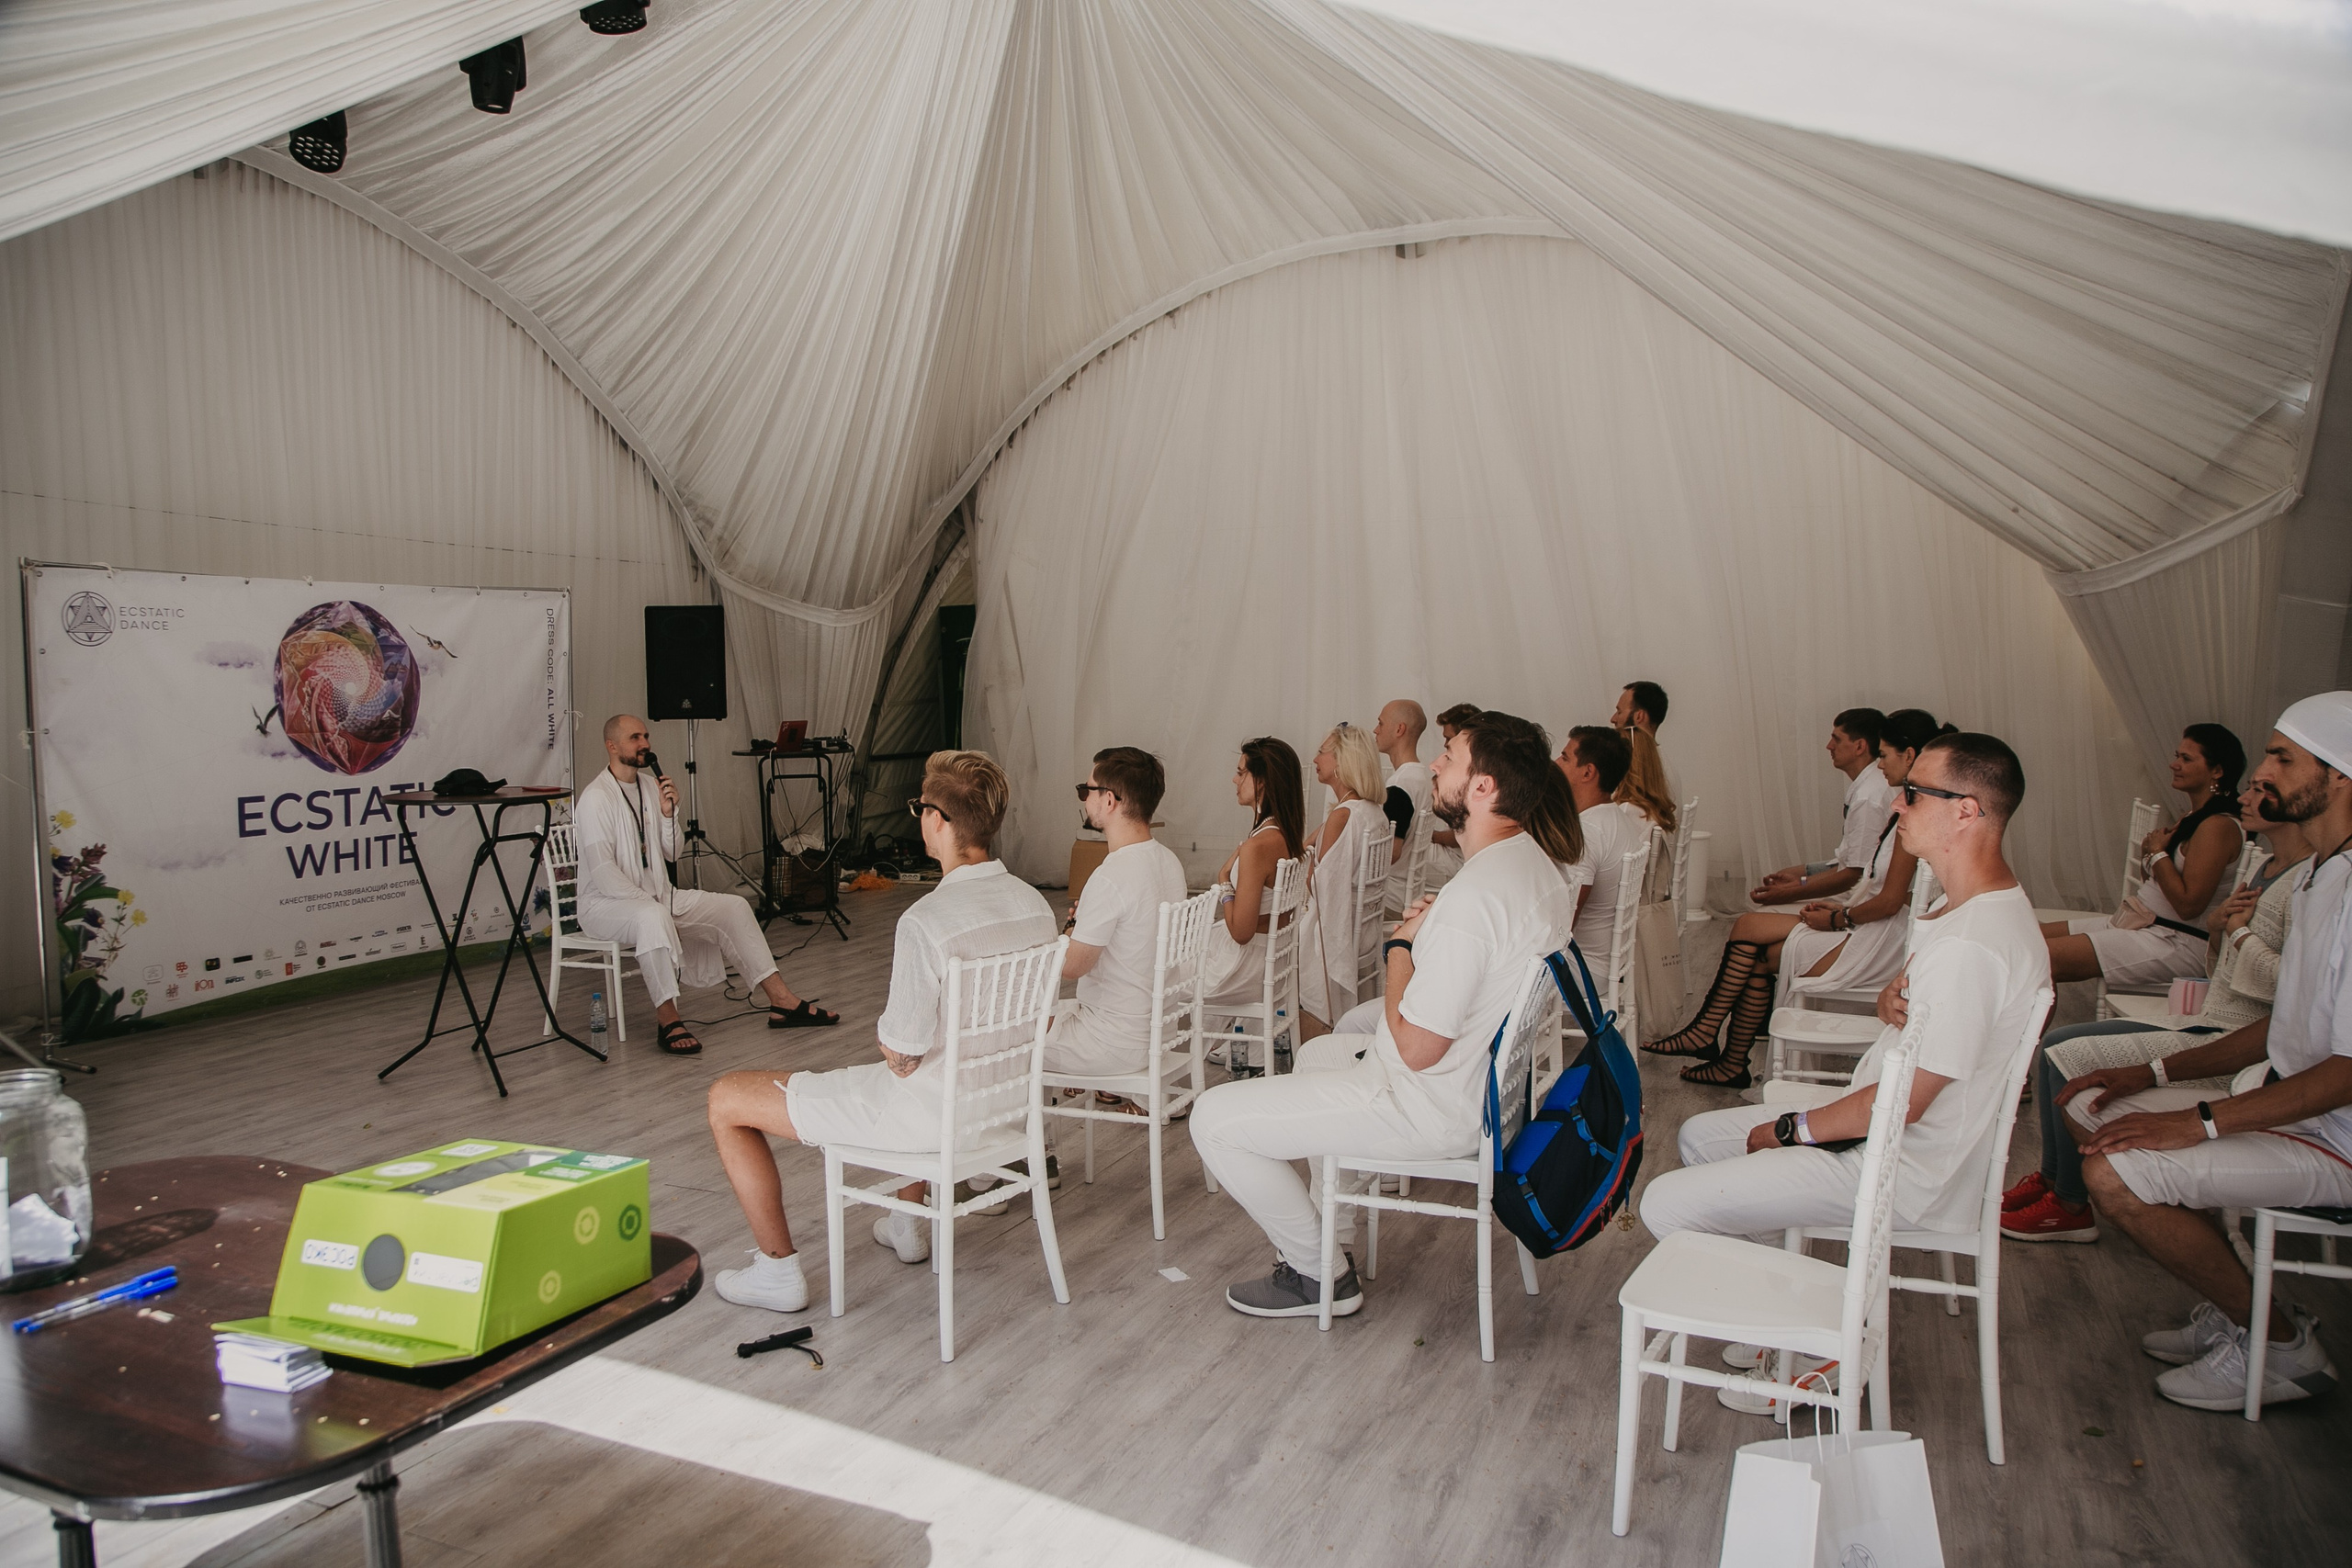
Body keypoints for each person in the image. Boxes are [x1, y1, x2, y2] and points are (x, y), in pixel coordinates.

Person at [1640, 732, 2050, 1408]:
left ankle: (1820, 1348)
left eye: (1916, 791)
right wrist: (1897, 998)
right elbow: (1937, 1025)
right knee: (1698, 1140)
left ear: (1967, 811)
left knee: (1663, 1202)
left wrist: (1794, 1128)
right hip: (1883, 1132)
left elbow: (1907, 1102)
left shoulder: (1975, 945)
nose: (1898, 800)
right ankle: (1783, 1316)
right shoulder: (1976, 910)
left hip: (1899, 1163)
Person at [1192, 711, 1583, 1319]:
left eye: (1449, 756)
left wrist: (1401, 946)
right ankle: (1332, 1238)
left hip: (1425, 1103)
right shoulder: (1531, 866)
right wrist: (1434, 926)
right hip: (1479, 1094)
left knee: (1212, 1118)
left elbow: (1417, 1047)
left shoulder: (1477, 898)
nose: (1433, 764)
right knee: (1321, 1052)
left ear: (1483, 788)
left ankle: (1316, 1271)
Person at [2061, 694, 2352, 1411]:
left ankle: (2283, 1347)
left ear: (2341, 776)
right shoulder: (2319, 874)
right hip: (2292, 1103)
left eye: (2284, 757)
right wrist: (2150, 1072)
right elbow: (2288, 1023)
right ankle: (2239, 1310)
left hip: (2337, 1137)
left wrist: (2201, 1121)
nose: (2264, 770)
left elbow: (2345, 1069)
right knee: (2091, 1101)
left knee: (2117, 1173)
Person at [705, 750, 1057, 1312]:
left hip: (931, 1120)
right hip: (1003, 1115)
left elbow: (904, 1057)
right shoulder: (1035, 906)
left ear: (937, 820)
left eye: (919, 807)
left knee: (726, 1098)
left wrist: (889, 1044)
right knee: (912, 1072)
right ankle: (905, 1223)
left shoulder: (926, 921)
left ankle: (777, 1271)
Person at [2001, 785, 2309, 1243]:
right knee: (2057, 1045)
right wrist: (2223, 929)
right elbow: (2221, 963)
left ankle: (2069, 1203)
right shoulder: (2268, 867)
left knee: (2066, 1052)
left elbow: (2293, 991)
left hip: (2238, 1036)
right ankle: (2051, 1180)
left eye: (2271, 781)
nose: (2251, 790)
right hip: (2213, 1013)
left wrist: (2238, 933)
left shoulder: (2305, 880)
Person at [1645, 709, 1949, 1089]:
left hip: (1879, 940)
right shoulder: (1903, 806)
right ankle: (1723, 1052)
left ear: (1908, 756)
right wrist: (1831, 899)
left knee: (1749, 931)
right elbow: (1866, 873)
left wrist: (1838, 918)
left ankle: (1711, 1037)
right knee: (1753, 943)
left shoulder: (1905, 814)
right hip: (1871, 923)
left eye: (1883, 755)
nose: (1879, 765)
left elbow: (1885, 897)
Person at [573, 714, 837, 1055]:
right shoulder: (595, 798)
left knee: (734, 907)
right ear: (612, 746)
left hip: (658, 898)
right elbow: (604, 874)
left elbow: (671, 852)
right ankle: (668, 1018)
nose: (646, 744)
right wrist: (650, 903)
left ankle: (782, 1001)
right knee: (651, 918)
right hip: (605, 906)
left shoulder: (649, 788)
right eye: (635, 738)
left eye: (646, 736)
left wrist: (669, 814)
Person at [2043, 723, 2247, 987]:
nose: (2174, 765)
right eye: (2177, 756)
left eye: (2186, 759)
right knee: (2028, 938)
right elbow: (2156, 883)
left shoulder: (2218, 826)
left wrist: (2157, 853)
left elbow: (2188, 906)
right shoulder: (2194, 818)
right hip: (2144, 923)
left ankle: (2030, 1031)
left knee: (2042, 958)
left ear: (2217, 771)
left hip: (2177, 941)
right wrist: (2151, 856)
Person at [1046, 746, 1188, 1078]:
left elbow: (1070, 968)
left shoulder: (1112, 875)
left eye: (1086, 790)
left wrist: (1069, 930)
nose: (1084, 799)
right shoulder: (1169, 861)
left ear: (1108, 800)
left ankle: (1022, 1130)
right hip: (1159, 1031)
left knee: (999, 1037)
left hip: (1111, 1041)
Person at [1200, 738, 1308, 1069]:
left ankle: (1146, 1081)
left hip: (1243, 965)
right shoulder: (1287, 834)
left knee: (1149, 977)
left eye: (1240, 773)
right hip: (1271, 959)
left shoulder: (1260, 844)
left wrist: (1224, 884)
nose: (1235, 780)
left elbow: (1241, 931)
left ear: (1261, 781)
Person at [1750, 709, 1894, 908]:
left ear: (1860, 746)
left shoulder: (1868, 797)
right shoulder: (1868, 786)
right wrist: (1800, 879)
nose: (1829, 746)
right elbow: (1848, 863)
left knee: (1750, 924)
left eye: (1837, 739)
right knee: (1784, 881)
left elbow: (1855, 874)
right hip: (1849, 891)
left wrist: (1789, 893)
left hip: (1854, 903)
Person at [1300, 724, 1390, 1034]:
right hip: (1364, 928)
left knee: (1267, 944)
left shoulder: (1344, 816)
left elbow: (1321, 888)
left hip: (1339, 933)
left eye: (1322, 752)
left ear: (1340, 761)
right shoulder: (1372, 811)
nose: (1315, 758)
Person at [1560, 725, 1648, 971]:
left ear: (1588, 772)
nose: (1556, 763)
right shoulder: (1615, 816)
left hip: (1584, 966)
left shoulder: (1588, 832)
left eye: (1565, 757)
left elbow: (1563, 925)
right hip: (1608, 960)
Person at [1374, 699, 1435, 914]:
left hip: (1392, 895)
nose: (1376, 730)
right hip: (1410, 888)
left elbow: (1390, 853)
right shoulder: (1423, 776)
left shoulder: (1401, 785)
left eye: (1380, 724)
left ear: (1399, 729)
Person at [1611, 681, 1674, 799]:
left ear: (1639, 716)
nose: (1613, 719)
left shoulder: (1644, 768)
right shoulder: (1661, 761)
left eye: (1619, 712)